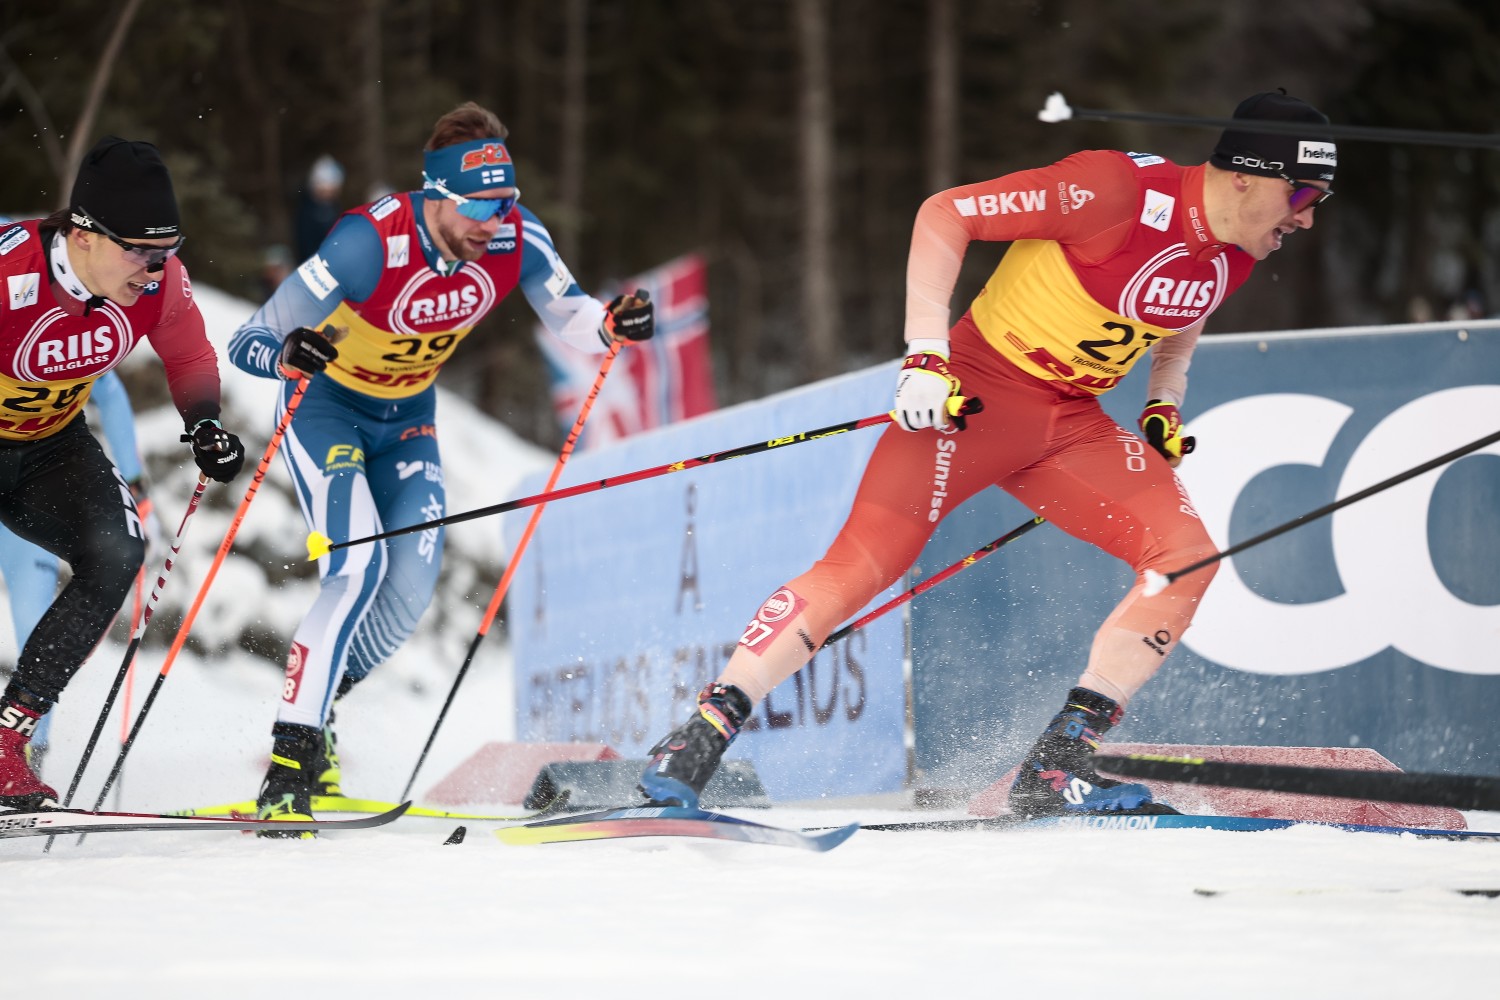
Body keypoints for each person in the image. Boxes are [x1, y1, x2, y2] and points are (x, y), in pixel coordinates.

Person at [639, 90, 1336, 817]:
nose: (1308, 217)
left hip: (1072, 425)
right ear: (1246, 176)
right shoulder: (1113, 190)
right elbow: (946, 212)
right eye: (1303, 195)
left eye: (1320, 200)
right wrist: (925, 355)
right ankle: (701, 734)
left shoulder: (1237, 252)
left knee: (1186, 558)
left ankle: (1059, 764)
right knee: (862, 565)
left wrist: (1163, 400)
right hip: (969, 402)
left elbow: (1184, 313)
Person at [228, 101, 654, 832]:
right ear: (438, 196)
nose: (494, 221)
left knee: (408, 592)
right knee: (356, 568)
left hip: (408, 423)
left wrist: (613, 322)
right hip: (326, 410)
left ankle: (319, 705)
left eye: (505, 202)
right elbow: (250, 340)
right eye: (480, 206)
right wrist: (288, 352)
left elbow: (575, 317)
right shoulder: (367, 242)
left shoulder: (515, 236)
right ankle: (290, 764)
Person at [0, 137, 247, 810]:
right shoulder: (12, 273)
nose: (155, 268)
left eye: (167, 251)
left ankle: (6, 743)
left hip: (49, 443)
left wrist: (204, 424)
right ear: (82, 235)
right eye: (140, 251)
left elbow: (188, 352)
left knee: (116, 552)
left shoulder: (158, 283)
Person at [0, 370, 154, 777]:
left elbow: (109, 390)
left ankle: (22, 757)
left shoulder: (73, 335)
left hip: (32, 473)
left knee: (35, 620)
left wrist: (134, 483)